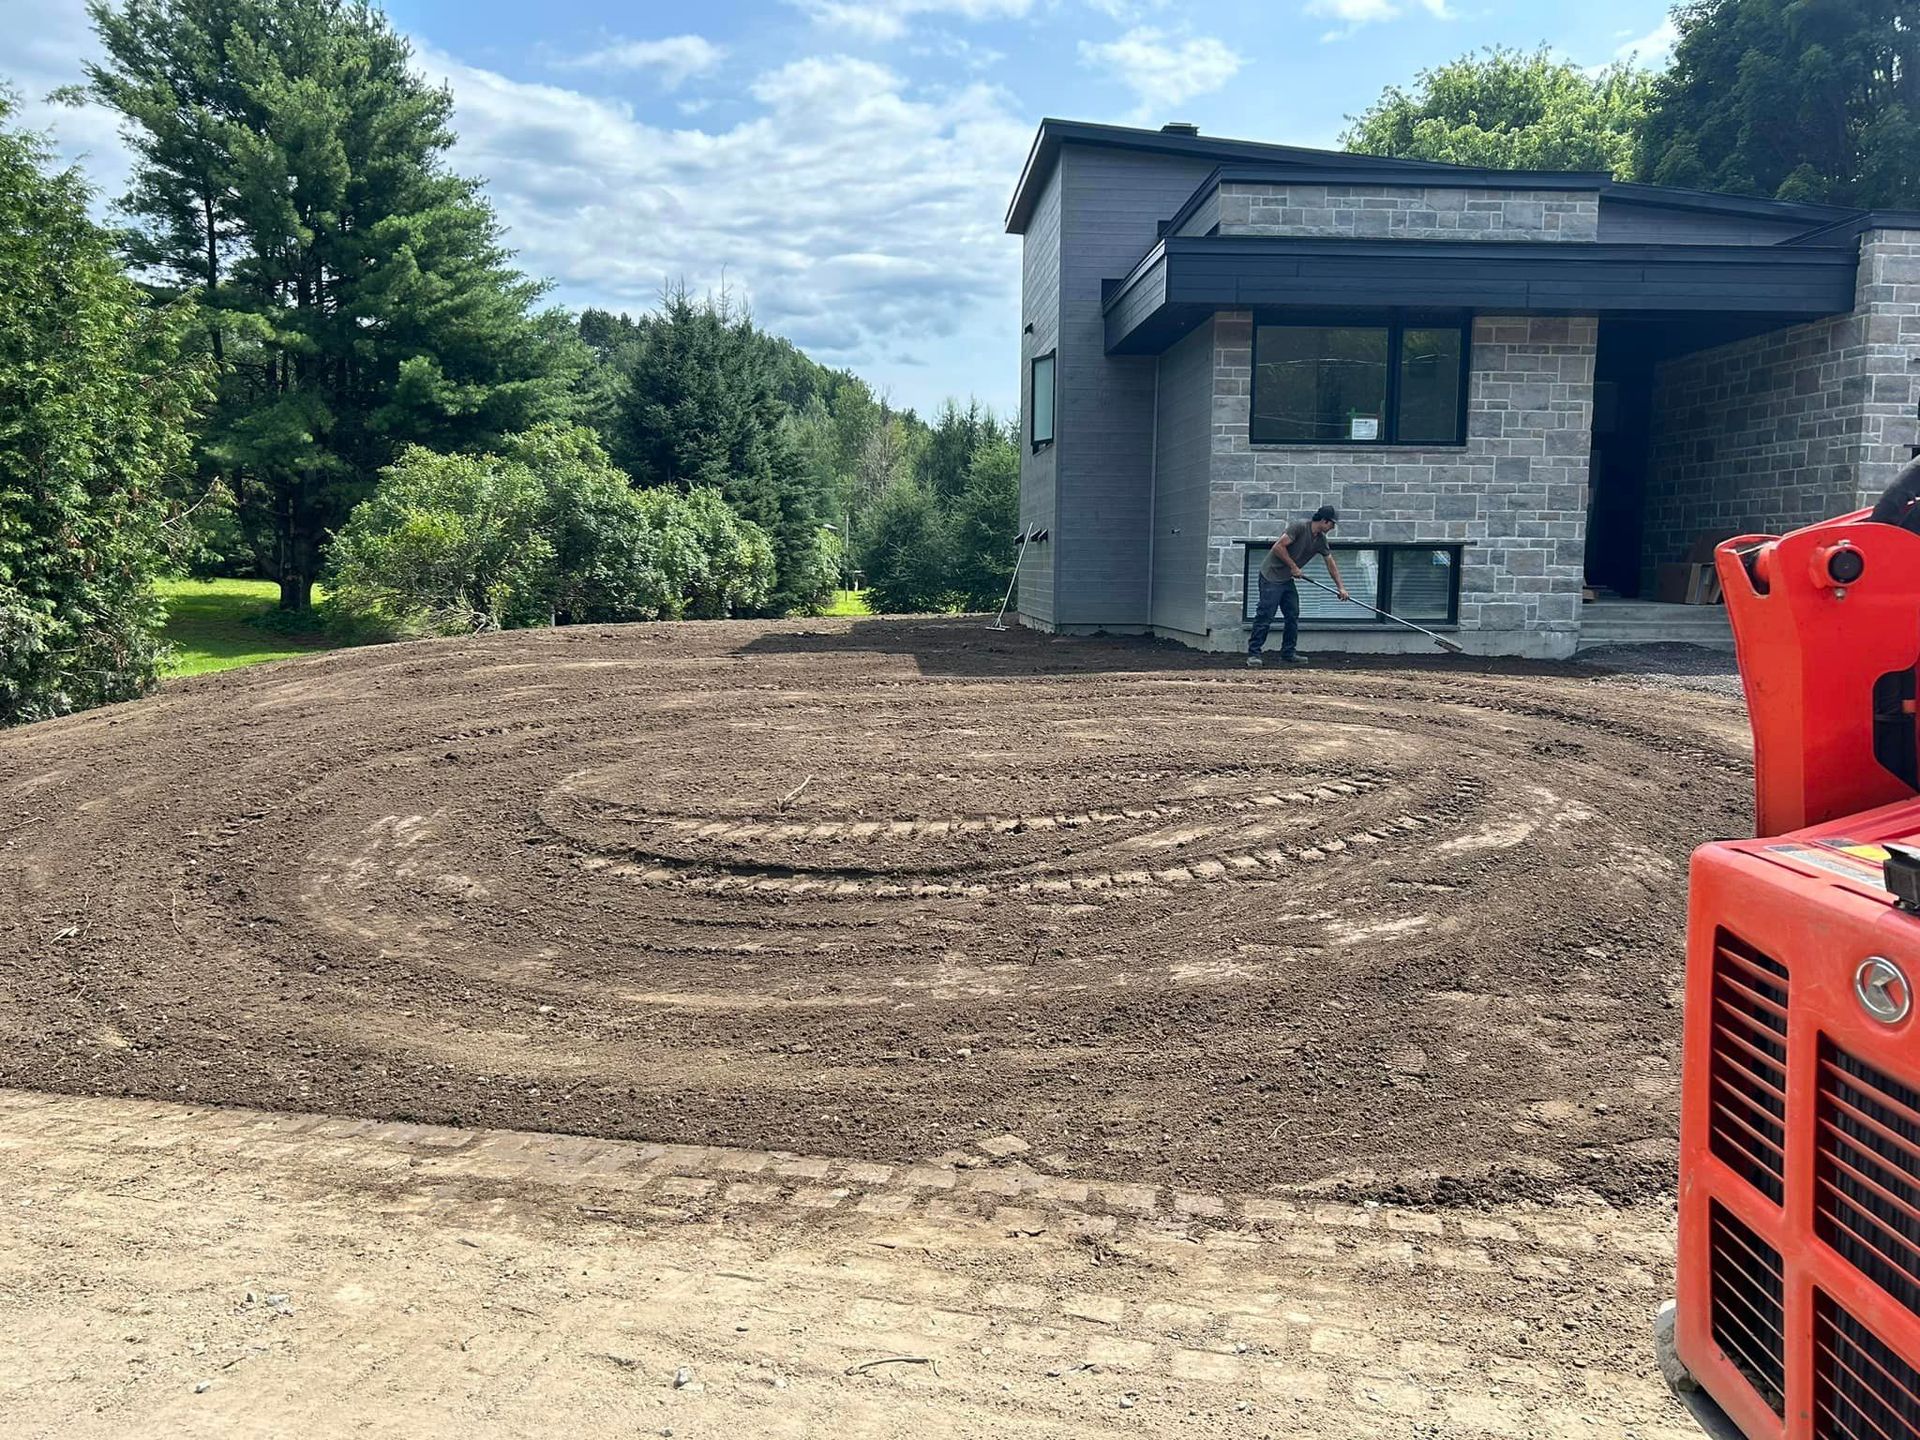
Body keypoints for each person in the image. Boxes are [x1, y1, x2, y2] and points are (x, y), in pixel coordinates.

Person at [1248, 505, 1349, 668]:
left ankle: (1288, 653)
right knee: (1265, 614)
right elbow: (1278, 546)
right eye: (1332, 524)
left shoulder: (1321, 540)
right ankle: (1254, 654)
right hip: (1271, 575)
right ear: (1324, 521)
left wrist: (1341, 588)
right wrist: (1294, 567)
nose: (1333, 527)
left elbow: (1330, 562)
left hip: (1286, 579)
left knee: (1292, 614)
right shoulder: (1300, 527)